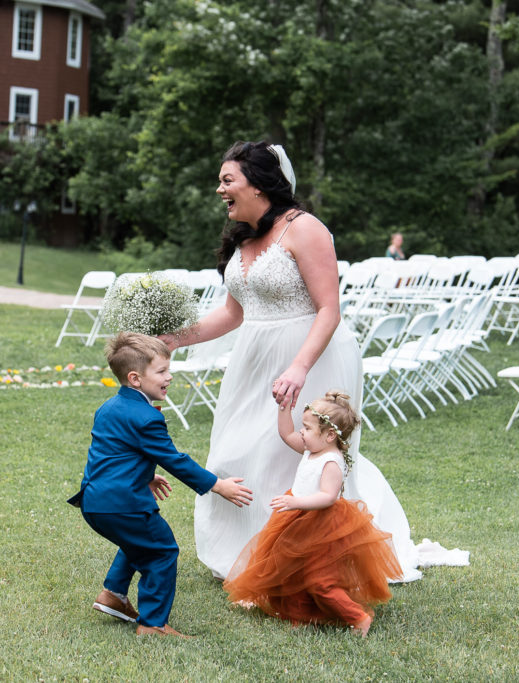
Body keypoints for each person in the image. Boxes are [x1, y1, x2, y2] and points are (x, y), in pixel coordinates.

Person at [160, 140, 426, 582]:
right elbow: (232, 313)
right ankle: (244, 553)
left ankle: (298, 561)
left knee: (295, 456)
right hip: (254, 357)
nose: (220, 190)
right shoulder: (242, 237)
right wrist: (172, 340)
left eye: (228, 180)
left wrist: (299, 367)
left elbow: (329, 308)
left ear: (259, 184)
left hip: (311, 354)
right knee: (236, 451)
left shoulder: (304, 229)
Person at [67, 332, 254, 638]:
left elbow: (115, 452)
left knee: (139, 541)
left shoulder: (109, 407)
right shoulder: (146, 417)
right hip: (123, 504)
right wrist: (217, 485)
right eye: (162, 371)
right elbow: (174, 460)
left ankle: (113, 594)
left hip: (95, 501)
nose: (170, 376)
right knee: (162, 550)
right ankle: (153, 624)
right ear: (135, 378)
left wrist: (144, 474)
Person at [223, 392, 403, 637]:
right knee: (287, 565)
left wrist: (296, 501)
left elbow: (328, 497)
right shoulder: (312, 449)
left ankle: (357, 616)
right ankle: (288, 607)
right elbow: (286, 435)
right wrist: (283, 408)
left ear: (330, 435)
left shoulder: (331, 460)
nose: (302, 433)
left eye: (306, 428)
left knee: (321, 580)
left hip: (323, 525)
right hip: (298, 517)